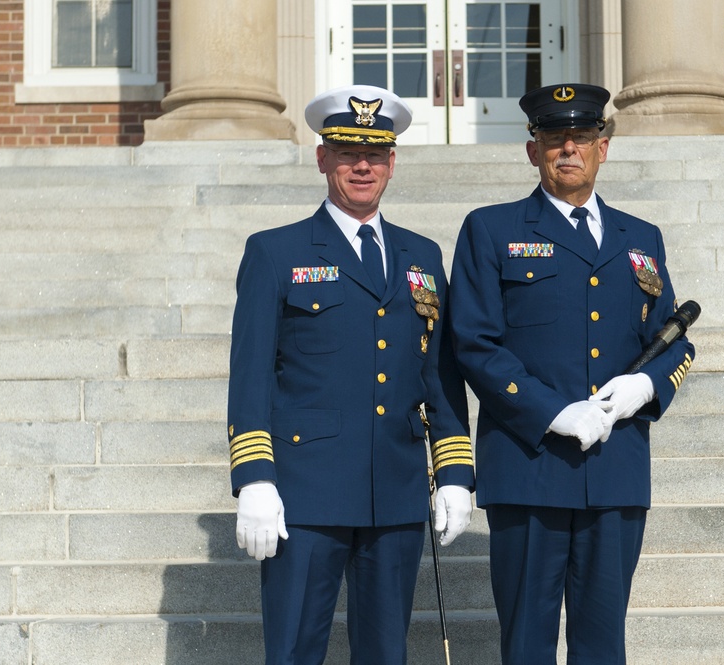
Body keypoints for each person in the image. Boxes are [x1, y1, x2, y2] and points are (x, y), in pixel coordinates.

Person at [226, 84, 475, 665]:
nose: (361, 166)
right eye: (345, 152)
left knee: (386, 653)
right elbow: (251, 373)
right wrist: (255, 478)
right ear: (321, 159)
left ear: (392, 162)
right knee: (293, 650)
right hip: (306, 490)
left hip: (395, 489)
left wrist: (456, 470)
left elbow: (438, 372)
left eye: (375, 153)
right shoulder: (276, 252)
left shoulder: (421, 255)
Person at [447, 83, 695, 664]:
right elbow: (474, 343)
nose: (568, 149)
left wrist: (645, 387)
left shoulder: (642, 238)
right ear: (532, 151)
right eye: (553, 138)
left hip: (616, 470)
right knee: (528, 642)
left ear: (602, 148)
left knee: (603, 643)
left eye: (582, 137)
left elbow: (675, 342)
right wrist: (553, 412)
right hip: (529, 466)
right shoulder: (491, 229)